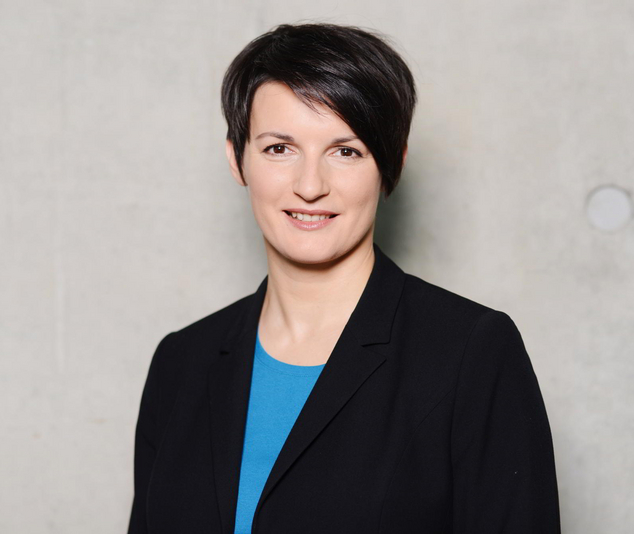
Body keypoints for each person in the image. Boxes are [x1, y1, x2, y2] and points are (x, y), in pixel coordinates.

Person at [128, 23, 560, 534]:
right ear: (237, 159)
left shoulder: (472, 353)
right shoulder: (181, 362)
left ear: (391, 164)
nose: (310, 186)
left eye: (346, 151)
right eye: (279, 148)